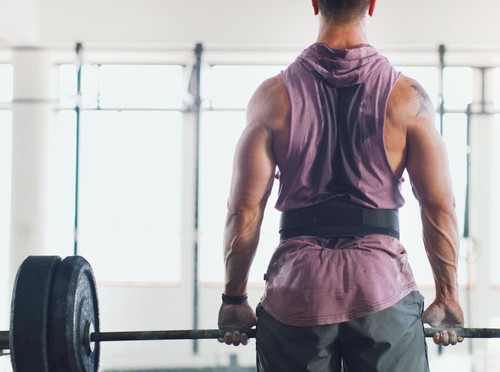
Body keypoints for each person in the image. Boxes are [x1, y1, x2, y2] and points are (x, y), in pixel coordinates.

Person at [217, 0, 465, 370]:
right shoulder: (407, 97)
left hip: (298, 290)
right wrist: (446, 296)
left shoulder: (271, 97)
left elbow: (244, 210)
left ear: (315, 4)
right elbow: (439, 207)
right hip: (381, 287)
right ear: (373, 4)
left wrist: (234, 299)